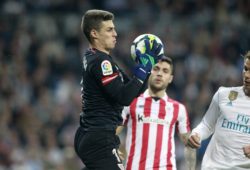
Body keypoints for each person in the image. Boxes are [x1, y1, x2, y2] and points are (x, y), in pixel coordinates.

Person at [74, 9, 162, 170]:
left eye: (114, 28)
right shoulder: (101, 62)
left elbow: (134, 90)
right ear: (94, 33)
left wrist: (147, 68)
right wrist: (142, 69)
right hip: (99, 138)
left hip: (92, 134)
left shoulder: (97, 57)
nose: (115, 33)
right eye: (109, 30)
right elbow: (124, 97)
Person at [119, 56, 196, 170]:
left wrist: (191, 167)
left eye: (165, 71)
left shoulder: (178, 109)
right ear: (149, 72)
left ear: (170, 78)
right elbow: (111, 135)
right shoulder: (131, 103)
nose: (159, 74)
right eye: (156, 69)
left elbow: (189, 145)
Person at [188, 51, 250, 169]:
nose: (246, 75)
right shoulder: (223, 94)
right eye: (245, 69)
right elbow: (207, 124)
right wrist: (196, 134)